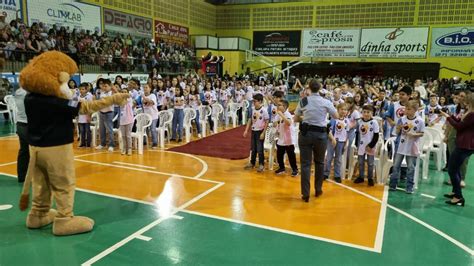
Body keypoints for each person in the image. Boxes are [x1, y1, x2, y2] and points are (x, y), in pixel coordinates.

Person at [294, 79, 338, 202]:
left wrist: (306, 117)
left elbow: (296, 119)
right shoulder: (326, 101)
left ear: (309, 88)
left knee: (305, 164)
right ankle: (318, 190)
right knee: (319, 163)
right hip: (321, 135)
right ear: (320, 88)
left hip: (306, 134)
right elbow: (336, 116)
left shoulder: (303, 101)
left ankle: (305, 194)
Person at [440, 92, 474, 206]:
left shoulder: (472, 114)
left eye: (466, 101)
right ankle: (455, 192)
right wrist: (451, 116)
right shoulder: (469, 112)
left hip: (465, 145)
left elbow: (459, 126)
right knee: (455, 168)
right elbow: (460, 122)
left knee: (452, 169)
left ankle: (458, 196)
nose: (463, 102)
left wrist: (448, 117)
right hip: (464, 144)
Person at [389, 100, 425, 193]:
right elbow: (397, 132)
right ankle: (393, 185)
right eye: (406, 108)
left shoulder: (420, 121)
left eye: (409, 109)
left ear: (415, 110)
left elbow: (422, 133)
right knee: (396, 166)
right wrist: (398, 128)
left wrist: (414, 134)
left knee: (411, 168)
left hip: (412, 147)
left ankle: (409, 187)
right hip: (400, 145)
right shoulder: (402, 119)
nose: (406, 111)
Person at [324, 103, 351, 183]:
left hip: (341, 142)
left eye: (345, 110)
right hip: (332, 141)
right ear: (338, 110)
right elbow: (328, 130)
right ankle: (326, 173)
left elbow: (347, 133)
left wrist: (346, 143)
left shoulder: (347, 121)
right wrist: (332, 139)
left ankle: (337, 175)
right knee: (329, 157)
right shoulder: (333, 119)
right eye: (342, 109)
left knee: (338, 159)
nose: (343, 111)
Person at [354, 105, 379, 186]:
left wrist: (371, 146)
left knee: (370, 163)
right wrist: (356, 145)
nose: (366, 114)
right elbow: (357, 134)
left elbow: (376, 136)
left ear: (372, 113)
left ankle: (370, 178)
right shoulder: (360, 122)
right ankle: (361, 177)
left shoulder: (374, 122)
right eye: (364, 112)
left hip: (370, 146)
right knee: (360, 162)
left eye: (368, 112)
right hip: (361, 145)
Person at [243, 93, 269, 173]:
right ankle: (252, 163)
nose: (253, 103)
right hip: (253, 131)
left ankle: (261, 164)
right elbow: (250, 120)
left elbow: (267, 121)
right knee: (253, 148)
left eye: (255, 101)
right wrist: (246, 130)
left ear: (260, 101)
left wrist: (263, 133)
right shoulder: (253, 109)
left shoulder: (264, 110)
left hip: (260, 131)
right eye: (253, 101)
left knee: (260, 149)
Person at [274, 100, 298, 177]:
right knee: (279, 154)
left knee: (291, 155)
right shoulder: (278, 114)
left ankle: (295, 169)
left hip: (288, 138)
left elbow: (289, 123)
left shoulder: (287, 114)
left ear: (284, 107)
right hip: (281, 137)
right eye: (277, 105)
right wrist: (275, 122)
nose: (277, 106)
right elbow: (275, 123)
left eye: (279, 105)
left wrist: (281, 115)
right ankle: (281, 168)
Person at [96, 79, 115, 152]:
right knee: (102, 129)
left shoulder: (111, 93)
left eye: (106, 86)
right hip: (101, 112)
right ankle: (102, 144)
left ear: (110, 86)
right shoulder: (102, 93)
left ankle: (111, 145)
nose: (104, 88)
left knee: (109, 129)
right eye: (103, 86)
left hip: (109, 113)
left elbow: (108, 102)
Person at [14, 87, 28, 183]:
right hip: (29, 125)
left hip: (21, 123)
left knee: (24, 151)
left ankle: (22, 176)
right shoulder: (28, 93)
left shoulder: (19, 91)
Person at [77, 83, 93, 147]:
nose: (81, 90)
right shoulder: (77, 96)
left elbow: (91, 107)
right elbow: (73, 105)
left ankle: (88, 143)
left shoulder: (89, 96)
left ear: (86, 90)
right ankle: (82, 143)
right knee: (81, 130)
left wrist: (89, 116)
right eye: (80, 89)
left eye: (83, 89)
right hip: (80, 115)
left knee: (87, 130)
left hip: (87, 115)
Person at [119, 89, 134, 155]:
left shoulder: (129, 100)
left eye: (125, 92)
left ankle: (130, 149)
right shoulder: (120, 101)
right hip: (122, 120)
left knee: (128, 135)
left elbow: (128, 99)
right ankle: (124, 148)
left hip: (129, 120)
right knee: (123, 135)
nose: (124, 93)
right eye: (123, 92)